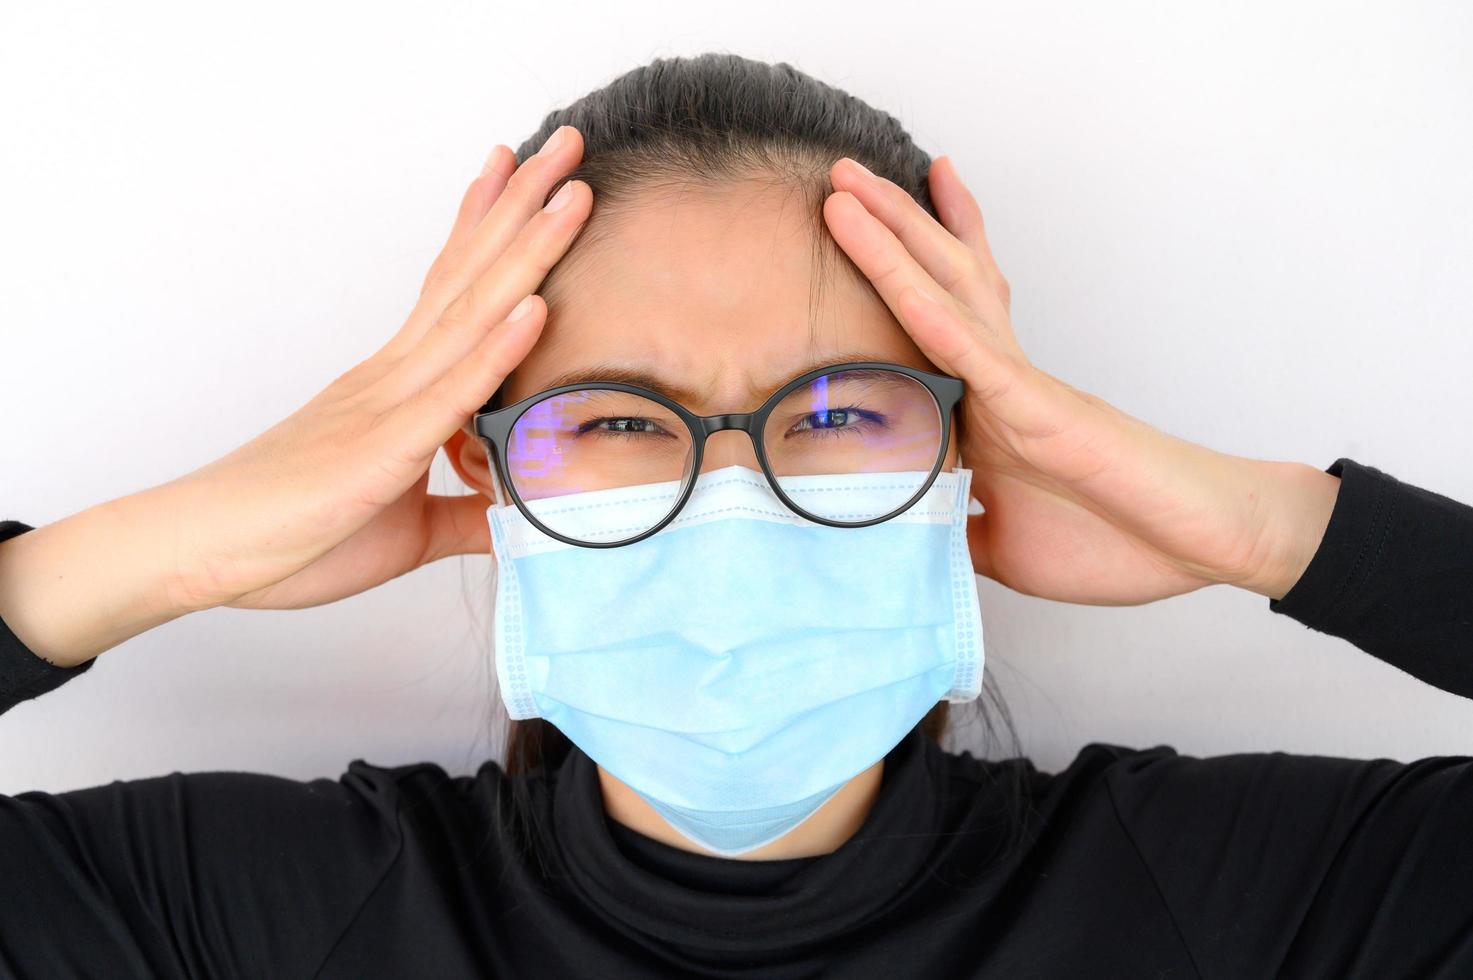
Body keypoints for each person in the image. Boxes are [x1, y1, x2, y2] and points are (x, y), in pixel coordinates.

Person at [1, 52, 1469, 979]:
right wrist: (145, 554)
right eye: (621, 421)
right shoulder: (246, 915)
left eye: (835, 413)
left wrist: (1275, 529)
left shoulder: (1260, 903)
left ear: (969, 456)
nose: (731, 502)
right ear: (484, 465)